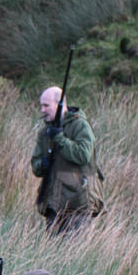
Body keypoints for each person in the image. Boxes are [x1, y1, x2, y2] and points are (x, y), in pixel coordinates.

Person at [31, 86, 102, 234]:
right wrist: (43, 164)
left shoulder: (80, 126)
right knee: (51, 248)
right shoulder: (45, 133)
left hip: (78, 204)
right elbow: (35, 166)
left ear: (60, 104)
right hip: (52, 204)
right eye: (41, 106)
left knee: (76, 248)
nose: (42, 110)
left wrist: (59, 139)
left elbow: (83, 155)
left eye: (46, 105)